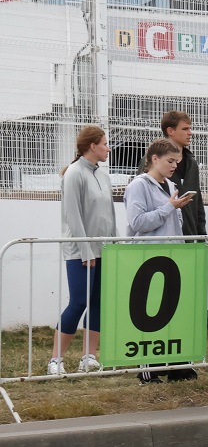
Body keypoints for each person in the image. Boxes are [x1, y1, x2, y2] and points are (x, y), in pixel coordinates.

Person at [124, 139, 196, 384]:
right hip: (148, 259)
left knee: (171, 311)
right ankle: (149, 370)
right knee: (150, 315)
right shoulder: (139, 185)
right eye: (170, 161)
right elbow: (138, 223)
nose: (174, 165)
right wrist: (168, 207)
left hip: (171, 258)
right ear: (154, 159)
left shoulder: (171, 185)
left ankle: (178, 366)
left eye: (177, 161)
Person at [48, 125, 117, 376]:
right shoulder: (74, 173)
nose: (108, 148)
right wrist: (86, 250)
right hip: (80, 252)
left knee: (98, 302)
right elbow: (73, 216)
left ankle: (89, 356)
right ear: (92, 146)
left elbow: (109, 215)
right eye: (105, 143)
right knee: (78, 302)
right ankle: (56, 360)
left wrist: (113, 245)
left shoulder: (103, 176)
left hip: (103, 250)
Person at [162, 111, 205, 238]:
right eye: (185, 129)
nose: (190, 133)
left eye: (190, 128)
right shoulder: (154, 163)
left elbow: (197, 202)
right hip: (164, 239)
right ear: (171, 131)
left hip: (190, 238)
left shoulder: (192, 163)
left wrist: (201, 233)